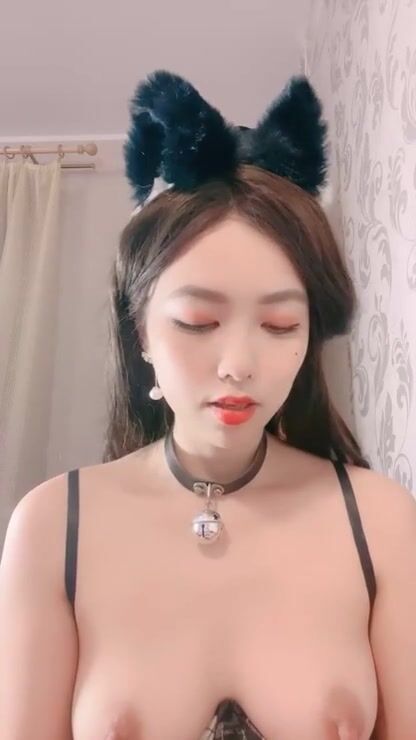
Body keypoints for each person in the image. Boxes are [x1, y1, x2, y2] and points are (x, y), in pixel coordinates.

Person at [1, 70, 416, 740]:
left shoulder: (382, 520)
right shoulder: (54, 525)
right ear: (140, 332)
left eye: (280, 325)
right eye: (198, 322)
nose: (238, 364)